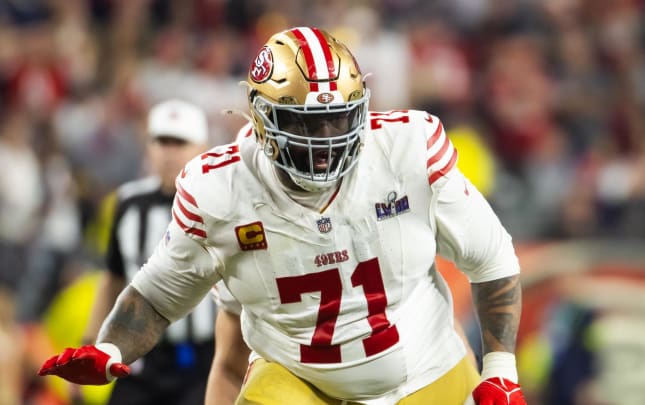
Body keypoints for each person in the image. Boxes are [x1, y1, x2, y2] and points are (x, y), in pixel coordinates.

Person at [38, 27, 527, 405]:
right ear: (260, 116)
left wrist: (501, 367)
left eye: (338, 118)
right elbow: (158, 294)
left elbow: (491, 257)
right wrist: (111, 349)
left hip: (420, 369)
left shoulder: (406, 151)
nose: (326, 140)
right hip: (298, 377)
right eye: (305, 122)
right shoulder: (221, 192)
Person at [81, 99, 218, 404]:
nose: (169, 152)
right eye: (161, 141)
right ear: (148, 147)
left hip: (203, 358)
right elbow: (113, 279)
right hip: (142, 357)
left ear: (203, 147)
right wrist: (90, 343)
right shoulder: (128, 203)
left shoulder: (219, 204)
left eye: (179, 142)